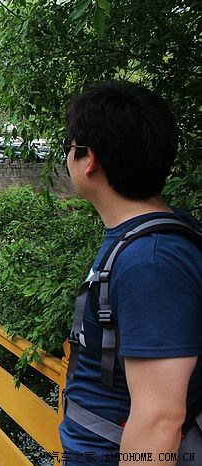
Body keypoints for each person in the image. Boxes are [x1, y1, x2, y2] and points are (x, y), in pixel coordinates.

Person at [60, 81, 202, 464]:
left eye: (69, 146)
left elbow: (160, 418)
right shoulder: (139, 243)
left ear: (90, 160)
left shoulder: (151, 261)